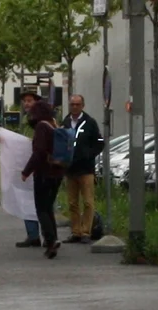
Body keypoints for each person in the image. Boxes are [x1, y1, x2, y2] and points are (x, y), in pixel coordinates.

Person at [20, 91, 65, 258]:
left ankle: (51, 241)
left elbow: (38, 152)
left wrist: (26, 171)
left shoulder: (41, 127)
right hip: (58, 172)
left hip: (44, 172)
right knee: (49, 207)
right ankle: (53, 239)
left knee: (42, 209)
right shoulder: (54, 124)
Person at [62, 94, 104, 244]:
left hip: (86, 169)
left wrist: (89, 154)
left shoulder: (90, 122)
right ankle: (76, 232)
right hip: (70, 169)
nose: (74, 107)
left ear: (82, 106)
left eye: (77, 104)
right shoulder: (65, 122)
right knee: (72, 203)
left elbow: (100, 142)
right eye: (72, 104)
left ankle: (86, 231)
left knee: (88, 202)